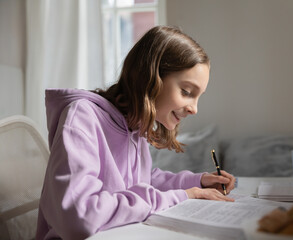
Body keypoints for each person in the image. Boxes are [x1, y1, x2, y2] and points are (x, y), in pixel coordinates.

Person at [36, 25, 236, 239]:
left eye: (198, 97)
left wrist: (197, 182)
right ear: (150, 79)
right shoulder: (82, 117)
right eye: (186, 92)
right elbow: (79, 216)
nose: (194, 109)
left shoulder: (135, 125)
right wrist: (182, 196)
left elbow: (141, 182)